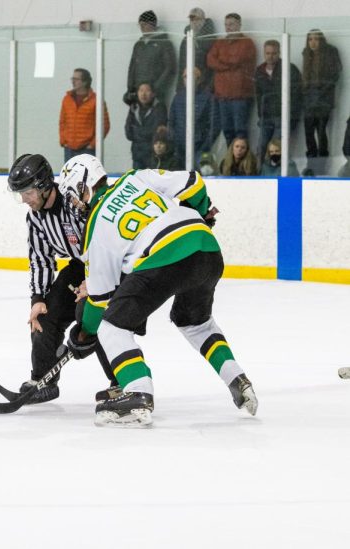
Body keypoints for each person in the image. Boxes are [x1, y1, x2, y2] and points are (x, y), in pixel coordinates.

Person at [57, 154, 257, 427]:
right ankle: (238, 379)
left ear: (84, 186)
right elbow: (193, 182)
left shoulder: (95, 229)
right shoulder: (135, 177)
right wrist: (199, 212)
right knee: (195, 323)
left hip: (164, 257)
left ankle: (137, 392)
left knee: (111, 328)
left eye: (73, 196)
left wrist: (83, 335)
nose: (75, 205)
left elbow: (99, 302)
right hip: (206, 247)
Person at [6, 153, 117, 404]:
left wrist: (97, 280)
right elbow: (41, 259)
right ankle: (43, 380)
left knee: (94, 315)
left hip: (107, 264)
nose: (25, 199)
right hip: (80, 266)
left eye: (28, 192)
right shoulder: (35, 218)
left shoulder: (75, 201)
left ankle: (121, 382)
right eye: (20, 194)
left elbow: (105, 238)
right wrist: (38, 298)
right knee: (45, 316)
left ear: (45, 185)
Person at [206, 13, 256, 146]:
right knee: (227, 132)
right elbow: (210, 60)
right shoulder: (219, 42)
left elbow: (238, 59)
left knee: (240, 132)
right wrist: (228, 65)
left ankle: (243, 165)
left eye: (232, 24)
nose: (228, 27)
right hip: (222, 96)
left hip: (240, 96)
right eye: (226, 24)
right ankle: (230, 163)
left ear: (239, 25)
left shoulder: (247, 42)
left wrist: (221, 63)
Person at [302, 29, 343, 175]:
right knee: (308, 131)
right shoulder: (306, 53)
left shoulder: (330, 52)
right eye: (310, 39)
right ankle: (311, 164)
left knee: (320, 130)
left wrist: (321, 92)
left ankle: (321, 164)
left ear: (322, 40)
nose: (313, 42)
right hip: (308, 96)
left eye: (316, 39)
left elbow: (335, 75)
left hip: (324, 96)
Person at [254, 40, 302, 159]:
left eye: (274, 53)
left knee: (277, 149)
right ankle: (259, 175)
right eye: (268, 53)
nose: (270, 56)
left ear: (279, 52)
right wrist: (260, 114)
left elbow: (297, 94)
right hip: (266, 116)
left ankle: (276, 175)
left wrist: (292, 117)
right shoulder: (259, 71)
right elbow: (258, 95)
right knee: (261, 147)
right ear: (264, 53)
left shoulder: (289, 68)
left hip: (283, 116)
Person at [124, 10, 176, 107]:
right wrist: (130, 88)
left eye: (144, 25)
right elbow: (132, 68)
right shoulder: (138, 45)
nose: (142, 28)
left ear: (152, 24)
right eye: (140, 25)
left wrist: (156, 88)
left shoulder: (164, 43)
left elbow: (170, 68)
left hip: (156, 94)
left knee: (155, 119)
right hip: (137, 93)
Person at [59, 68, 110, 161]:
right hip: (69, 149)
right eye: (72, 79)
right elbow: (62, 122)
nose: (73, 81)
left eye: (76, 79)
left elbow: (104, 125)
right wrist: (63, 141)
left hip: (87, 149)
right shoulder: (67, 99)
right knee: (70, 175)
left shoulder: (97, 101)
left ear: (85, 82)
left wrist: (92, 144)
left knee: (87, 175)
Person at [169, 68, 216, 169]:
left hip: (200, 148)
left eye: (191, 76)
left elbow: (214, 125)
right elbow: (171, 121)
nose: (188, 79)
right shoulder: (178, 98)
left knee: (203, 177)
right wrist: (175, 142)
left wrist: (205, 146)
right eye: (185, 77)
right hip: (180, 149)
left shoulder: (208, 98)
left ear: (199, 79)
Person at [124, 82, 168, 169]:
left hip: (153, 154)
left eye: (147, 91)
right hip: (137, 154)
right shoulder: (134, 108)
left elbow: (157, 131)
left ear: (153, 93)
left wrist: (138, 132)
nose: (143, 94)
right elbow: (128, 132)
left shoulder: (159, 108)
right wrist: (141, 133)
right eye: (141, 91)